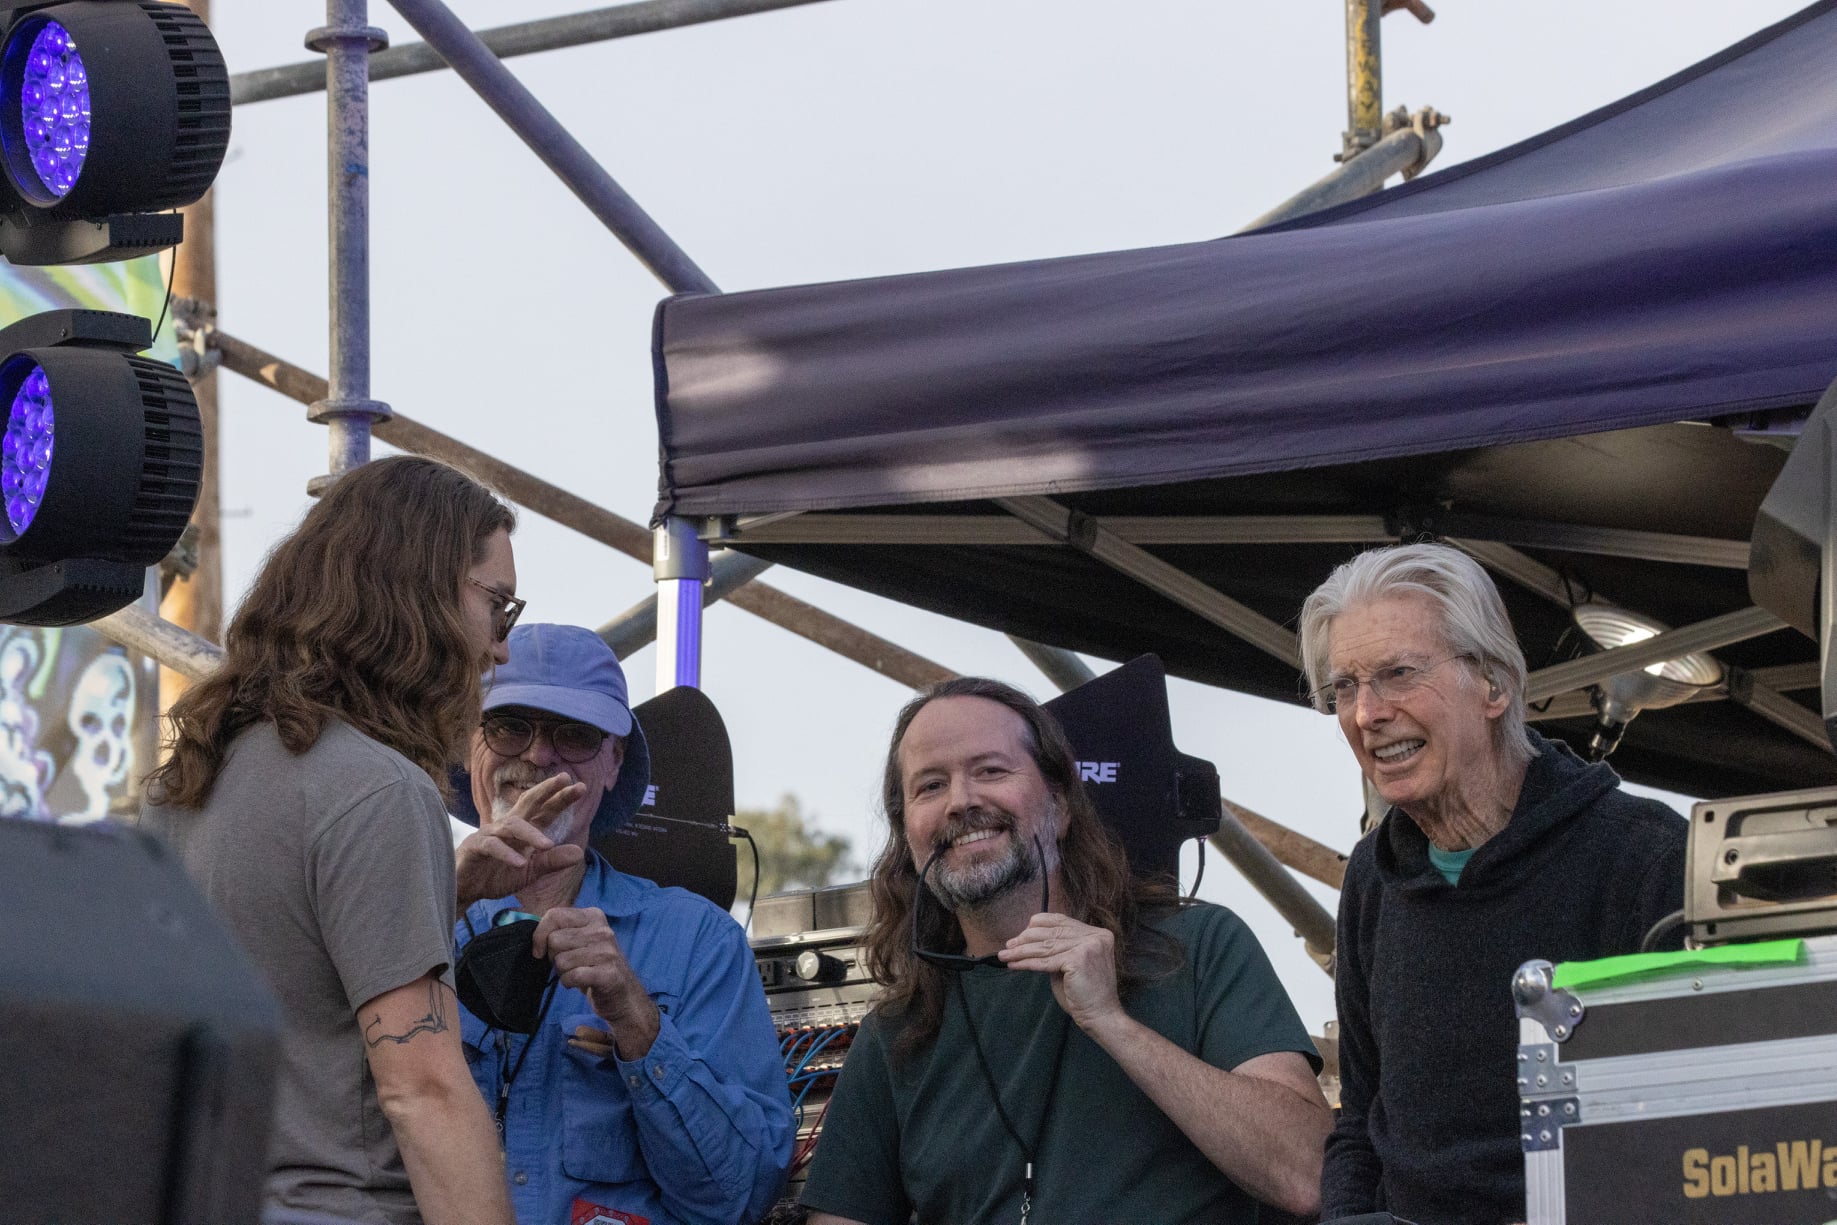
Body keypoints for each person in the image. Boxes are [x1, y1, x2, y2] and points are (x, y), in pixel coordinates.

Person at [141, 456, 522, 1225]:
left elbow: (283, 973)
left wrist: (437, 891)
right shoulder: (379, 789)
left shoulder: (188, 783)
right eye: (499, 606)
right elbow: (422, 1089)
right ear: (419, 594)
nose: (500, 647)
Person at [801, 677, 1330, 1225]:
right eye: (930, 786)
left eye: (990, 770)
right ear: (907, 836)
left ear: (1060, 806)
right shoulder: (898, 1029)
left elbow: (1307, 1175)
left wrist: (1111, 1022)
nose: (961, 801)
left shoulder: (1198, 946)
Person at [1300, 542, 1687, 1225]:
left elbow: (1689, 1126)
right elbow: (1360, 1120)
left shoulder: (1641, 856)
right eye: (1344, 688)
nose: (1366, 713)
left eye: (1396, 673)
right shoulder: (1371, 877)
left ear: (1494, 685)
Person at [451, 623, 793, 1225]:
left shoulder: (699, 942)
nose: (537, 755)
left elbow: (739, 1199)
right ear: (467, 743)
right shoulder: (401, 917)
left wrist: (637, 1018)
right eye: (509, 727)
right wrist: (440, 903)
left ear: (614, 762)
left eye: (575, 734)